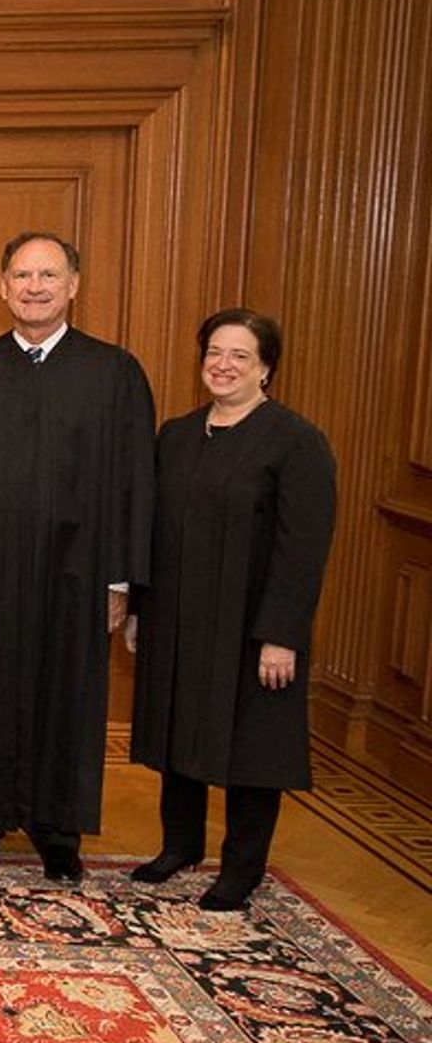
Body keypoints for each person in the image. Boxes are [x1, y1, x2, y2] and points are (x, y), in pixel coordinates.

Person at [0, 232, 155, 881]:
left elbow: (135, 481)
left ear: (74, 285)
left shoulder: (113, 373)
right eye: (23, 276)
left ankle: (58, 831)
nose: (35, 287)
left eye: (49, 275)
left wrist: (122, 580)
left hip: (78, 571)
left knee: (68, 694)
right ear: (3, 286)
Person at [129, 309, 336, 910]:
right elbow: (152, 530)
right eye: (215, 352)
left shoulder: (296, 442)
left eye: (240, 355)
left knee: (253, 747)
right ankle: (180, 845)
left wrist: (282, 635)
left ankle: (242, 868)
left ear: (266, 367)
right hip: (178, 614)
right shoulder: (177, 435)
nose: (223, 365)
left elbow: (304, 548)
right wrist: (140, 607)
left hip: (252, 626)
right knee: (178, 729)